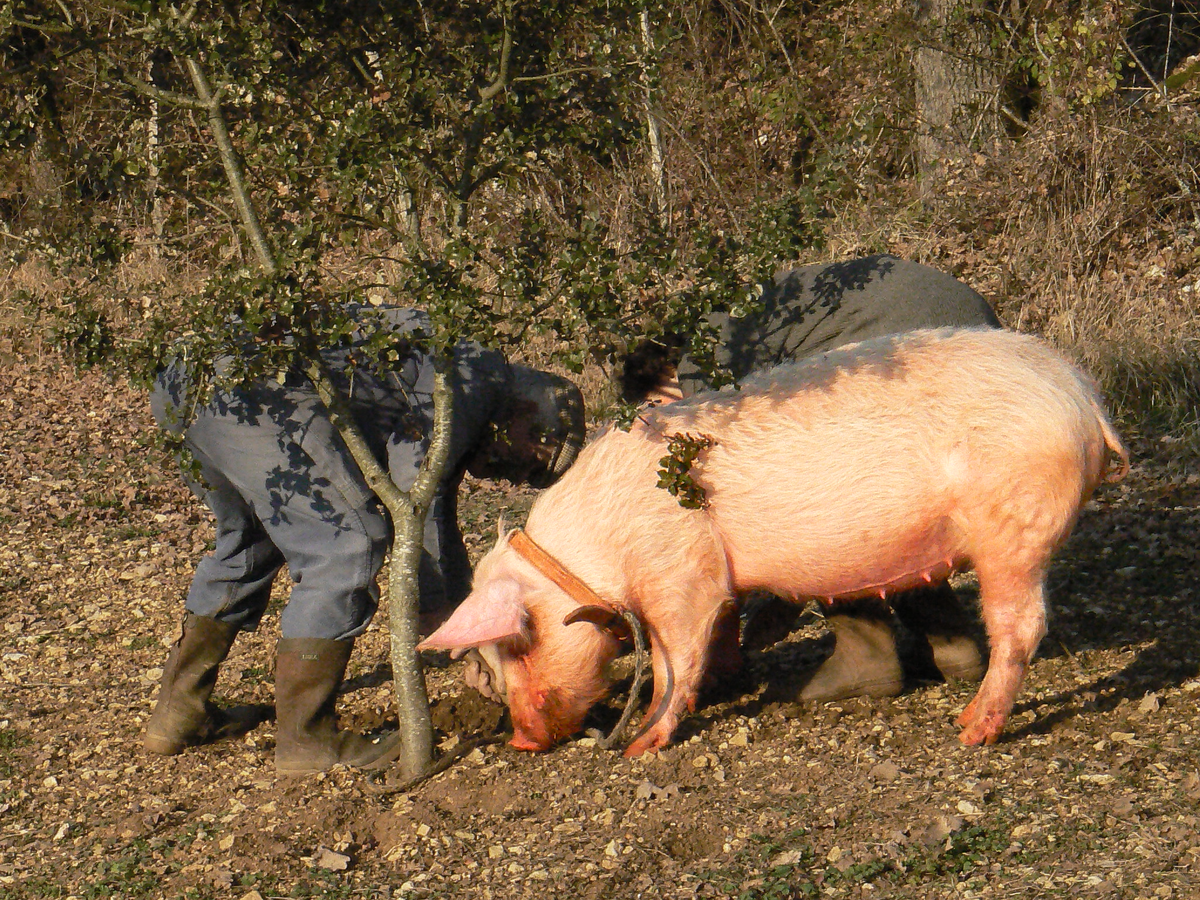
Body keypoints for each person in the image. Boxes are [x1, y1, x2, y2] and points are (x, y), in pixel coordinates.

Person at [144, 307, 586, 773]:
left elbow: (433, 506)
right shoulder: (475, 380)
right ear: (530, 417)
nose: (514, 477)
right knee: (346, 546)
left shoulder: (469, 370)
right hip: (249, 387)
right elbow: (418, 496)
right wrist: (453, 625)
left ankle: (177, 715)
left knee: (250, 542)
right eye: (533, 463)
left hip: (185, 380)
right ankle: (307, 741)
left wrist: (457, 613)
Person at [620, 254, 1001, 702]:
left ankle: (867, 657)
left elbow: (765, 495)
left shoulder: (703, 368)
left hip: (919, 341)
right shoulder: (726, 321)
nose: (667, 426)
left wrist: (782, 595)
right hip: (971, 334)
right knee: (892, 498)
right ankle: (950, 643)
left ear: (661, 381)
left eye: (658, 411)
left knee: (822, 496)